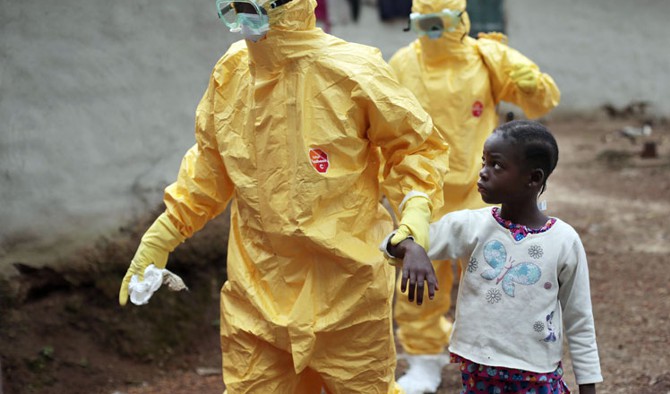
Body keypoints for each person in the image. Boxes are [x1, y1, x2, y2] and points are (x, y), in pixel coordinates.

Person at [117, 0, 449, 392]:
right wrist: (164, 232)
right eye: (233, 7)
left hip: (346, 292)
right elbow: (209, 166)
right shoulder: (233, 71)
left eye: (250, 7)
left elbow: (414, 148)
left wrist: (414, 216)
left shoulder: (352, 71)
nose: (241, 19)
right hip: (257, 294)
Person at [387, 1, 560, 391]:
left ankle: (500, 355)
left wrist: (531, 85)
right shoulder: (401, 64)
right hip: (422, 191)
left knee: (494, 277)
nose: (431, 30)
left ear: (458, 20)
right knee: (419, 280)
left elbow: (542, 101)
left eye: (439, 22)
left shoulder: (487, 57)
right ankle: (424, 361)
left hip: (480, 189)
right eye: (423, 22)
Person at [385, 120, 603, 394]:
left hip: (536, 376)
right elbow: (389, 245)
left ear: (533, 179)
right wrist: (411, 247)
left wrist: (588, 387)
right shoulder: (469, 226)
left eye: (496, 165)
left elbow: (579, 319)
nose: (482, 173)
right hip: (478, 372)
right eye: (483, 162)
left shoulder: (563, 241)